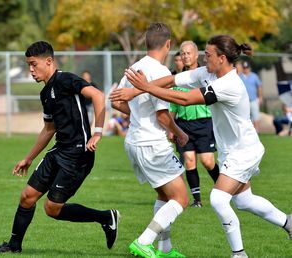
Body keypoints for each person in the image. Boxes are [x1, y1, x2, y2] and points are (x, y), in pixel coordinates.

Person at [121, 35, 292, 258]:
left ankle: (239, 254)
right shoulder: (208, 73)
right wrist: (137, 90)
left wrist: (144, 87)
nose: (204, 58)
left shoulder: (228, 84)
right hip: (232, 151)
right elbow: (171, 81)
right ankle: (288, 222)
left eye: (208, 55)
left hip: (245, 150)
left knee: (218, 199)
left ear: (222, 58)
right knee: (244, 200)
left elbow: (184, 100)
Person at [0, 41, 119, 254]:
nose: (30, 70)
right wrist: (28, 158)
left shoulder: (66, 79)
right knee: (27, 196)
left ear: (48, 61)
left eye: (33, 64)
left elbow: (98, 96)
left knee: (52, 209)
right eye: (28, 65)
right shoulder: (45, 93)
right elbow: (48, 129)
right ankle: (13, 246)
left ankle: (106, 218)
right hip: (59, 151)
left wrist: (98, 132)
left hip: (78, 154)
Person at [111, 22, 189, 258]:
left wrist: (137, 114)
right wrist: (180, 132)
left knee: (164, 196)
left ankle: (164, 249)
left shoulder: (134, 67)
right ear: (168, 44)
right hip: (152, 143)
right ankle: (144, 241)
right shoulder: (163, 73)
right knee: (182, 198)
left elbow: (115, 101)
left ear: (146, 43)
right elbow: (162, 116)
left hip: (134, 141)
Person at [170, 41, 219, 207]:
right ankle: (197, 200)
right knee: (189, 160)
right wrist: (170, 127)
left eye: (188, 53)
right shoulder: (177, 79)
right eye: (182, 53)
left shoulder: (205, 74)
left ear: (196, 55)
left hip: (204, 124)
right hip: (183, 125)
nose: (185, 56)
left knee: (207, 161)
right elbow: (173, 105)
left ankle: (223, 190)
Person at [239, 61, 263, 132]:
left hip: (253, 99)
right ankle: (248, 131)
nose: (246, 69)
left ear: (249, 68)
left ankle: (256, 131)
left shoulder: (254, 76)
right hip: (243, 101)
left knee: (255, 115)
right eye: (244, 68)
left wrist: (260, 97)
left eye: (247, 67)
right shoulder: (240, 76)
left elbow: (259, 87)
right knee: (245, 117)